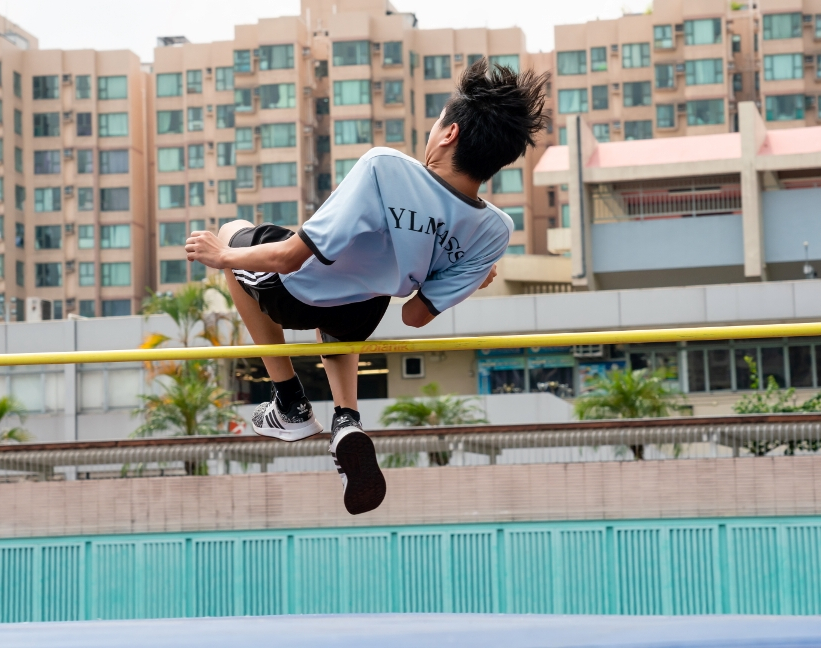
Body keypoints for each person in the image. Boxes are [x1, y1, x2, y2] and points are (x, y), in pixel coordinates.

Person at [186, 59, 549, 515]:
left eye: (438, 121)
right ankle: (346, 418)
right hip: (361, 311)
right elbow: (414, 315)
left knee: (234, 230)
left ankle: (290, 403)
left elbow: (289, 257)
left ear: (450, 133)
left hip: (293, 292)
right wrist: (473, 278)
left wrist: (222, 255)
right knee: (359, 286)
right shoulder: (495, 230)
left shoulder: (386, 167)